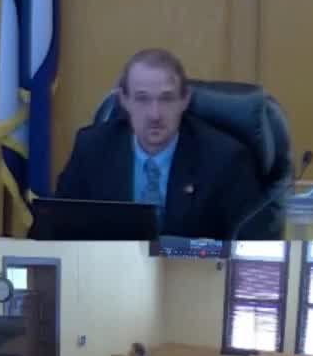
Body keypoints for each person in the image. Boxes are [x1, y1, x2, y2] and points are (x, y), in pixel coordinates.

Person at [53, 48, 266, 239]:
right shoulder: (93, 148)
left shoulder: (225, 159)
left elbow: (252, 248)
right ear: (124, 100)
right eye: (142, 98)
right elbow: (58, 230)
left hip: (195, 269)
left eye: (166, 99)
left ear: (184, 100)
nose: (154, 115)